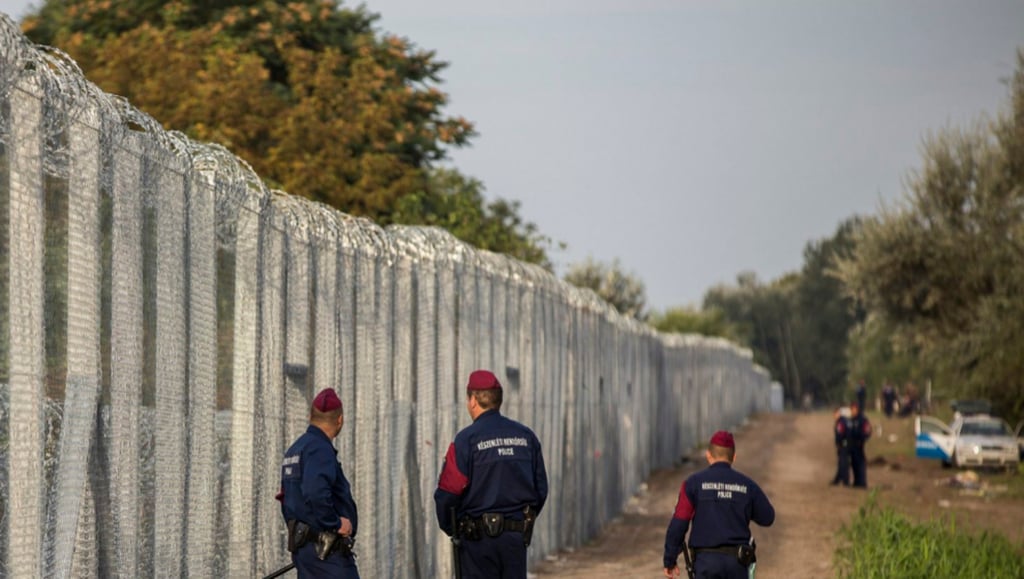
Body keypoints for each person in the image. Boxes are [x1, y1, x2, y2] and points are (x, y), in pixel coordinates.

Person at [434, 369, 548, 579]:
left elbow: (448, 492)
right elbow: (540, 489)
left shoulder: (465, 440)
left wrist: (453, 528)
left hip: (476, 543)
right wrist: (520, 521)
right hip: (515, 539)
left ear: (473, 401)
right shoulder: (526, 437)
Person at [663, 430, 775, 579]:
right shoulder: (748, 485)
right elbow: (768, 517)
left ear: (708, 455)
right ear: (734, 457)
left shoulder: (693, 484)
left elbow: (679, 523)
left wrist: (670, 560)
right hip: (738, 565)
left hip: (705, 564)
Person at [278, 388, 360, 578]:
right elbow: (315, 492)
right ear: (340, 420)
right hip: (327, 554)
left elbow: (285, 498)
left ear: (310, 416)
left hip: (306, 552)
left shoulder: (295, 449)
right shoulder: (319, 449)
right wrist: (335, 523)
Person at [848, 402, 873, 488]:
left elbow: (867, 430)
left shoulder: (862, 420)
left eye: (854, 409)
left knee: (860, 463)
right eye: (851, 409)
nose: (852, 411)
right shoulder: (851, 420)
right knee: (854, 463)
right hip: (852, 444)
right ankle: (856, 481)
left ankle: (862, 482)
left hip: (859, 444)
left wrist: (862, 440)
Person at [831, 407, 851, 486]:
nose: (834, 416)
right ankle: (838, 479)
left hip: (843, 445)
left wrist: (839, 444)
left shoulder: (841, 423)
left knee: (843, 463)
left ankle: (845, 481)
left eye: (835, 414)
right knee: (841, 463)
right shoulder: (845, 421)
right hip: (846, 445)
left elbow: (840, 434)